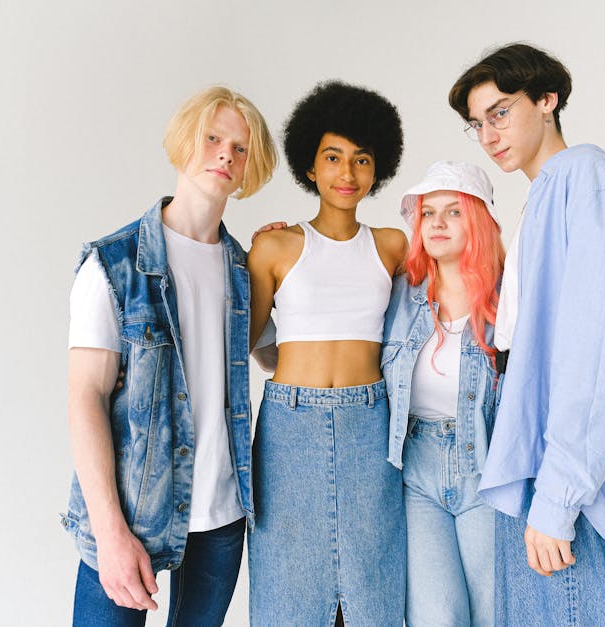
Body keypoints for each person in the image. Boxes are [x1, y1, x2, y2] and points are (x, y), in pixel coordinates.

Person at [448, 43, 605, 625]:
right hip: (531, 446)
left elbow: (597, 349)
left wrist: (559, 495)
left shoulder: (585, 178)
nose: (489, 135)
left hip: (558, 463)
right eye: (477, 123)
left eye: (500, 112)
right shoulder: (543, 193)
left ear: (547, 100)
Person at [61, 85, 278, 626]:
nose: (226, 154)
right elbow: (84, 397)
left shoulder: (245, 271)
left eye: (241, 148)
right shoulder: (114, 265)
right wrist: (109, 531)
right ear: (185, 144)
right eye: (213, 139)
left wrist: (291, 263)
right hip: (133, 514)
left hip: (222, 520)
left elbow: (279, 361)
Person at [246, 81, 408, 626]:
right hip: (289, 428)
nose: (347, 173)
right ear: (309, 167)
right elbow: (246, 341)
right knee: (288, 588)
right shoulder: (274, 247)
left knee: (373, 583)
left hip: (371, 424)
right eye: (333, 157)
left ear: (377, 170)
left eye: (361, 160)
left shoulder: (392, 246)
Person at [381, 161, 504, 626]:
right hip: (416, 471)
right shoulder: (398, 294)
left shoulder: (509, 299)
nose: (436, 222)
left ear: (478, 221)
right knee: (436, 617)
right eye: (428, 212)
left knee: (495, 612)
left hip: (487, 471)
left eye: (453, 211)